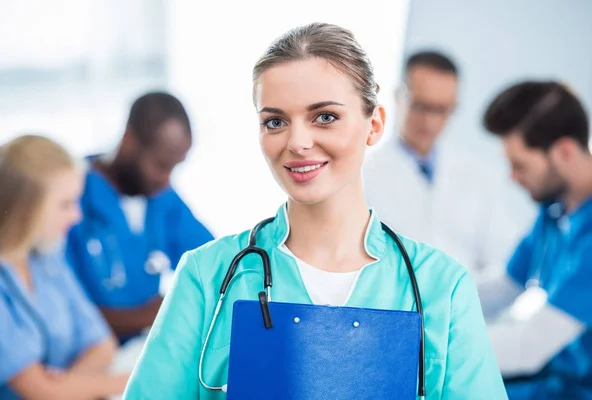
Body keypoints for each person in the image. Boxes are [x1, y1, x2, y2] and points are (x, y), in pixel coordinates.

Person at [123, 22, 507, 399]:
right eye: (275, 122)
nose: (298, 142)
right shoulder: (207, 277)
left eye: (325, 117)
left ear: (374, 125)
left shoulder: (442, 286)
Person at [362, 51, 531, 281]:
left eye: (442, 110)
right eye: (421, 106)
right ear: (398, 97)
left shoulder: (478, 176)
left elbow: (505, 261)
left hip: (465, 308)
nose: (430, 121)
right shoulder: (364, 175)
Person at [66, 92, 215, 343]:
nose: (167, 179)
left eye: (174, 166)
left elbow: (216, 265)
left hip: (143, 348)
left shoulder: (162, 199)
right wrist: (157, 312)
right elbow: (61, 314)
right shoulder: (70, 196)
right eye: (160, 165)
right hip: (88, 359)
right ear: (129, 140)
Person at [0, 135, 128, 400]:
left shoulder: (46, 257)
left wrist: (65, 387)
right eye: (65, 204)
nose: (77, 216)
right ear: (25, 209)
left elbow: (103, 345)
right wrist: (130, 378)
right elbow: (38, 391)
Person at [479, 81, 592, 399]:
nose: (512, 177)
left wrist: (428, 347)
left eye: (520, 165)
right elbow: (504, 287)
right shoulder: (556, 211)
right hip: (554, 384)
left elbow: (529, 347)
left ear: (565, 152)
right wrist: (426, 295)